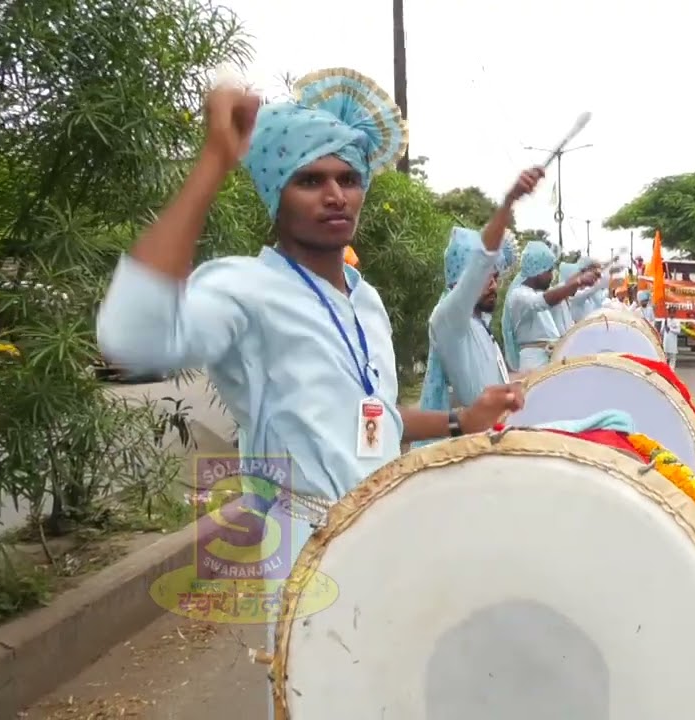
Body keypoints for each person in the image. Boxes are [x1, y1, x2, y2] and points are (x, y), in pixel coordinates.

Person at [97, 76, 524, 540]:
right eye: (310, 180)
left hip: (385, 535)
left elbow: (370, 420)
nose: (336, 196)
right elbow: (133, 341)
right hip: (304, 547)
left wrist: (463, 420)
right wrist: (213, 164)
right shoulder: (244, 287)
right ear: (276, 193)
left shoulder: (365, 300)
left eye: (348, 179)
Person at [419, 171, 541, 415]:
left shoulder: (479, 324)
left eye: (496, 277)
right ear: (463, 281)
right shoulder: (448, 320)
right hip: (476, 437)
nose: (494, 285)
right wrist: (508, 202)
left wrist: (526, 379)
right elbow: (479, 264)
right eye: (486, 278)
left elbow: (489, 384)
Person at [501, 241, 597, 373]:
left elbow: (560, 288)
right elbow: (540, 301)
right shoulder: (519, 295)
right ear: (538, 271)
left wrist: (580, 277)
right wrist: (578, 281)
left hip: (547, 359)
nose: (552, 276)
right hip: (533, 362)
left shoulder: (536, 292)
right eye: (549, 271)